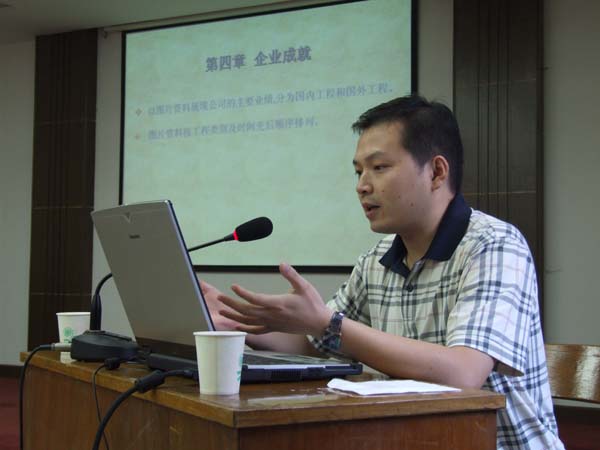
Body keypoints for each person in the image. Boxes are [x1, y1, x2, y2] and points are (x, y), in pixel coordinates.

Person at [200, 94, 564, 450]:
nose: (362, 185)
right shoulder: (376, 259)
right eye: (358, 171)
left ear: (437, 172)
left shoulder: (494, 245)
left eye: (379, 167)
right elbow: (316, 344)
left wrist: (327, 323)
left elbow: (463, 373)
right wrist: (235, 324)